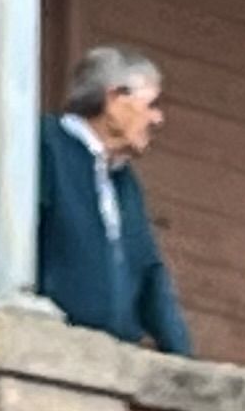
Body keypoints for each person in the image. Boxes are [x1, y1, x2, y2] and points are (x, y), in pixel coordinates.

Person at [29, 45, 193, 355]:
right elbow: (18, 235)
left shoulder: (125, 181)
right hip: (48, 351)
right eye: (151, 104)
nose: (157, 118)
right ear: (115, 99)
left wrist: (187, 363)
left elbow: (151, 277)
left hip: (110, 360)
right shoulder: (45, 144)